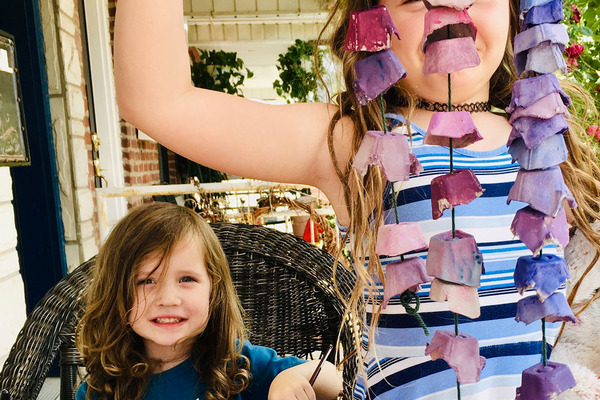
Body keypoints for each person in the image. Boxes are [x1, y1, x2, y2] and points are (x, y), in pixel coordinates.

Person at [113, 0, 600, 399]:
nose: (449, 7)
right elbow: (159, 101)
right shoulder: (355, 143)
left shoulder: (542, 140)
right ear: (374, 23)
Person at [75, 202, 342, 400]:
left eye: (186, 279)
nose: (168, 298)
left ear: (213, 291)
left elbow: (332, 379)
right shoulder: (101, 389)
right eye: (146, 280)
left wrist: (290, 377)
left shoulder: (238, 364)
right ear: (115, 293)